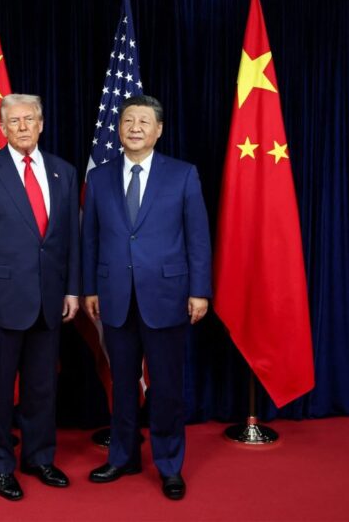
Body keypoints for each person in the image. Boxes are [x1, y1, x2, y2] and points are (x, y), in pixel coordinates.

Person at [81, 95, 212, 500]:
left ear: (158, 130)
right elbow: (91, 239)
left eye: (143, 121)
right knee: (121, 385)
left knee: (168, 387)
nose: (134, 127)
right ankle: (123, 457)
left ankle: (170, 464)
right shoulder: (99, 178)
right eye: (128, 120)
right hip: (114, 296)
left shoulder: (183, 175)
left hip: (169, 296)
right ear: (118, 129)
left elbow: (198, 239)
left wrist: (200, 291)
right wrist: (88, 287)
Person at [0, 93, 80, 501]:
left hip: (48, 299)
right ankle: (2, 466)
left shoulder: (64, 172)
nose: (23, 126)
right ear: (2, 128)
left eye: (30, 119)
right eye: (14, 121)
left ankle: (40, 458)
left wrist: (73, 289)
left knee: (42, 387)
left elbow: (70, 241)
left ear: (42, 124)